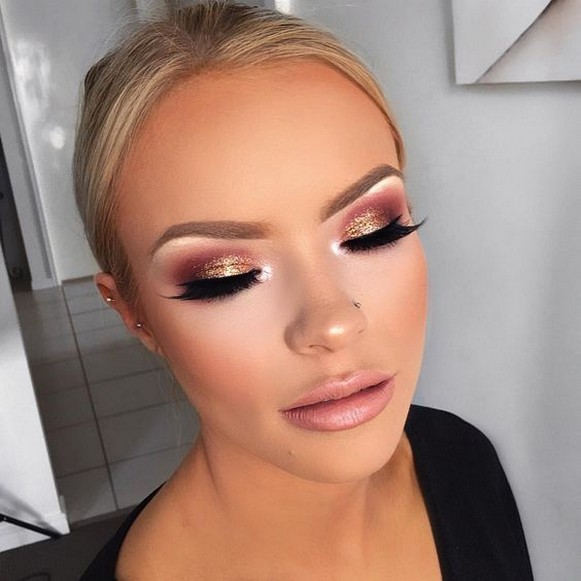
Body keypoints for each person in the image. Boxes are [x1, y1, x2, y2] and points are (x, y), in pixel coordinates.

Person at [76, 2, 533, 579]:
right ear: (132, 312)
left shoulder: (464, 459)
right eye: (224, 275)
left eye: (372, 230)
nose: (333, 321)